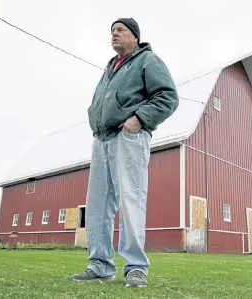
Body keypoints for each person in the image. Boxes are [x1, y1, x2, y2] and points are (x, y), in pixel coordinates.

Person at [70, 18, 179, 288]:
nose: (114, 34)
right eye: (112, 31)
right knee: (96, 207)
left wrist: (139, 119)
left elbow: (168, 96)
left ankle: (135, 267)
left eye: (120, 30)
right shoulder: (110, 68)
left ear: (135, 37)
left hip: (128, 137)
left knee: (130, 200)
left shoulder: (147, 60)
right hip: (102, 140)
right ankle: (100, 265)